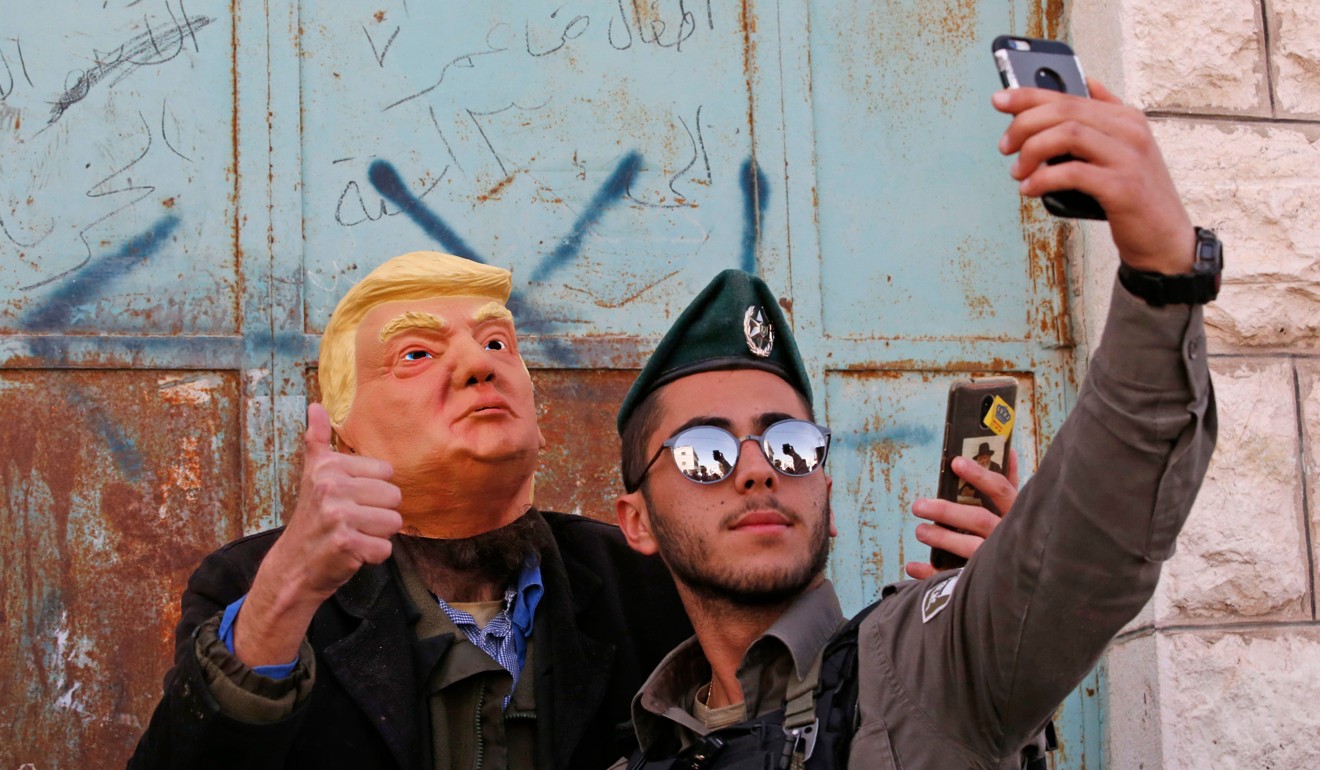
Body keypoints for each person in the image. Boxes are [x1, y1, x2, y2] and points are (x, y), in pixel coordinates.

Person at [610, 80, 1218, 768]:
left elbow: (1094, 537)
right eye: (704, 452)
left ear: (827, 499)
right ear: (636, 521)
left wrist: (1163, 275)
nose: (758, 469)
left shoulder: (929, 664)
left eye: (792, 445)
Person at [129, 252, 692, 770]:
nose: (479, 364)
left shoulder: (644, 580)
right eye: (416, 354)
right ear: (343, 436)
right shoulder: (250, 588)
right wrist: (284, 595)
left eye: (497, 343)